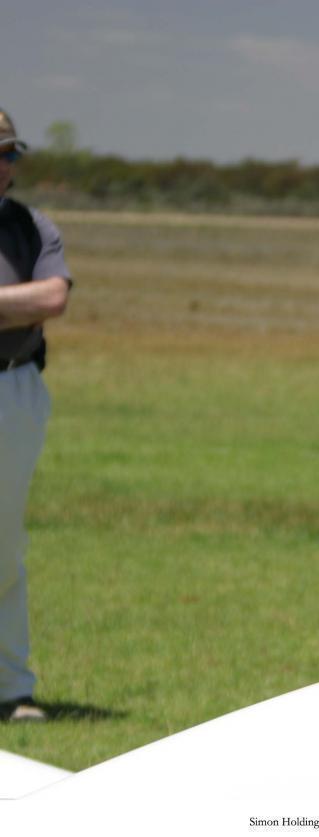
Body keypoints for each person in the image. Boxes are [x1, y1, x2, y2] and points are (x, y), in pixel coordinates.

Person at [0, 108, 72, 723]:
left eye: (10, 153)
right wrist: (12, 305)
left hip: (13, 385)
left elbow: (51, 297)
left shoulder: (30, 226)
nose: (5, 165)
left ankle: (10, 688)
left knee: (2, 541)